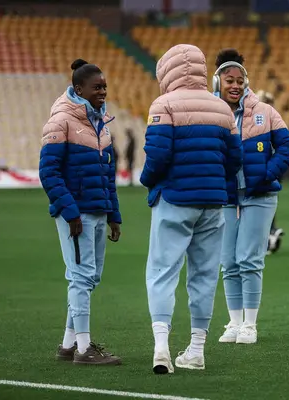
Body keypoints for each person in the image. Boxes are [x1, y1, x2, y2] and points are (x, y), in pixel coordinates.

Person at [142, 44, 242, 373]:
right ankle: (197, 350)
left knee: (162, 273)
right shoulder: (222, 109)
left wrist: (148, 181)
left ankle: (161, 348)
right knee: (204, 276)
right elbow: (235, 160)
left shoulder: (164, 105)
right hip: (213, 203)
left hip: (175, 199)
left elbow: (156, 156)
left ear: (167, 70)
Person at [39, 59, 122, 366]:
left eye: (104, 87)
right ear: (78, 89)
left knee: (89, 278)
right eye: (96, 87)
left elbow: (107, 173)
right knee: (82, 278)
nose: (102, 91)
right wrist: (70, 212)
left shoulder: (101, 123)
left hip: (98, 212)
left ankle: (68, 345)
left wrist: (114, 214)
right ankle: (85, 350)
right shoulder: (61, 121)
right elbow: (48, 172)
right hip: (77, 215)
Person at [214, 49, 289, 344]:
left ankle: (250, 325)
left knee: (249, 260)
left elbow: (288, 148)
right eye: (229, 81)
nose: (235, 86)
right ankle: (234, 323)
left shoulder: (265, 112)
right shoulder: (210, 113)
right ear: (218, 83)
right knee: (228, 262)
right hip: (225, 197)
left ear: (246, 82)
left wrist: (267, 174)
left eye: (239, 80)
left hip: (259, 196)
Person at [256, 90, 286, 255]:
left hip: (261, 167)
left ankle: (268, 236)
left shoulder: (255, 119)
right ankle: (271, 232)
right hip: (273, 166)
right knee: (268, 201)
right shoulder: (275, 119)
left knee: (258, 204)